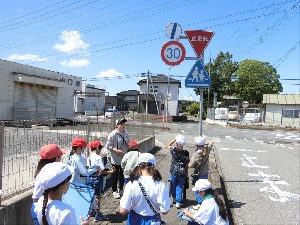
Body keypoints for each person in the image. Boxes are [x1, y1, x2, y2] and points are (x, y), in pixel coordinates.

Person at [119, 153, 170, 224]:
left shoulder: (131, 184)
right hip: (153, 221)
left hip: (134, 219)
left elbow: (123, 211)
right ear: (154, 166)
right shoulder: (160, 184)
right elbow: (165, 211)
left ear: (138, 166)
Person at [31, 144, 66, 225]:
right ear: (56, 158)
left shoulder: (49, 172)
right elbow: (35, 198)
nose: (61, 159)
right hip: (40, 208)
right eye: (60, 157)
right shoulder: (44, 175)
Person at [87, 140, 116, 222]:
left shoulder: (89, 157)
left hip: (90, 178)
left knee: (92, 196)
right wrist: (111, 172)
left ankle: (91, 210)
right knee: (98, 197)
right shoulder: (98, 158)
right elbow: (102, 171)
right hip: (97, 179)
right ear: (96, 148)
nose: (100, 150)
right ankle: (98, 214)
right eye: (99, 148)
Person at [106, 118, 130, 199]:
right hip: (115, 158)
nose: (123, 125)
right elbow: (108, 146)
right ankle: (114, 190)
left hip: (124, 158)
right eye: (121, 124)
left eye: (124, 124)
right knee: (115, 175)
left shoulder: (125, 133)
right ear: (117, 125)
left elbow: (128, 143)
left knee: (123, 174)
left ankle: (121, 189)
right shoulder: (113, 134)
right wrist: (117, 151)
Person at [189, 136, 213, 210]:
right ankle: (204, 202)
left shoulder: (196, 154)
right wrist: (204, 143)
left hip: (199, 173)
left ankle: (201, 203)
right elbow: (211, 142)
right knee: (204, 188)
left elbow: (191, 165)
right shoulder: (207, 149)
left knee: (198, 188)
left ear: (195, 145)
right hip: (206, 171)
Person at [166, 134, 190, 209]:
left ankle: (174, 198)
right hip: (182, 172)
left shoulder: (174, 150)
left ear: (177, 143)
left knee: (173, 185)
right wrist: (186, 174)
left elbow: (167, 145)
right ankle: (178, 202)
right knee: (179, 187)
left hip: (174, 171)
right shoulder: (186, 153)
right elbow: (187, 165)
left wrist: (174, 139)